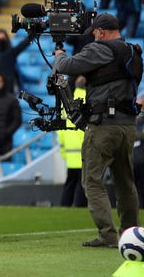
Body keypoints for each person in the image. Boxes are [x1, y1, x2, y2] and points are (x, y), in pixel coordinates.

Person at [53, 13, 142, 248]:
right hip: (127, 125)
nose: (93, 36)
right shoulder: (132, 51)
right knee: (125, 182)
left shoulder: (101, 49)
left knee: (92, 181)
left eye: (94, 33)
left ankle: (107, 235)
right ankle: (131, 233)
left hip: (104, 126)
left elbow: (67, 67)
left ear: (101, 32)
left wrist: (60, 55)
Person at [58, 75, 88, 207]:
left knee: (70, 183)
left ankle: (64, 207)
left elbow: (61, 128)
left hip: (70, 152)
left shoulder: (67, 102)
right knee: (84, 184)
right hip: (85, 150)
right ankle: (80, 207)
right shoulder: (89, 99)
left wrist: (63, 149)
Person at [133, 97, 144, 208]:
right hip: (132, 160)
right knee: (133, 190)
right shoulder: (131, 120)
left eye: (141, 106)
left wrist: (135, 135)